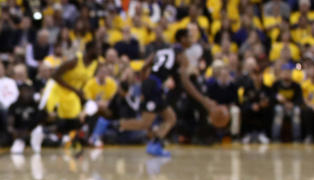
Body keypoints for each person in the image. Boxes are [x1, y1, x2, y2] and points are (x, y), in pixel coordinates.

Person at [92, 29, 219, 157]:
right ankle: (107, 124)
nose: (192, 40)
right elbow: (186, 84)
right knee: (144, 123)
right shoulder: (182, 57)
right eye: (190, 37)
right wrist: (204, 101)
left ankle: (155, 145)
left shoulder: (162, 50)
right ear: (182, 39)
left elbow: (143, 68)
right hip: (154, 86)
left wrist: (143, 87)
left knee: (171, 118)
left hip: (151, 84)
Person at [270, 63, 303, 141]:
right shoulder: (276, 84)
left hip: (292, 107)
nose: (286, 74)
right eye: (285, 72)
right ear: (281, 73)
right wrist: (277, 99)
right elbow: (271, 97)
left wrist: (293, 104)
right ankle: (275, 137)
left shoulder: (296, 86)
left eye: (288, 72)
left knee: (297, 111)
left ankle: (297, 137)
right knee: (279, 110)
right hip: (280, 106)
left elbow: (299, 99)